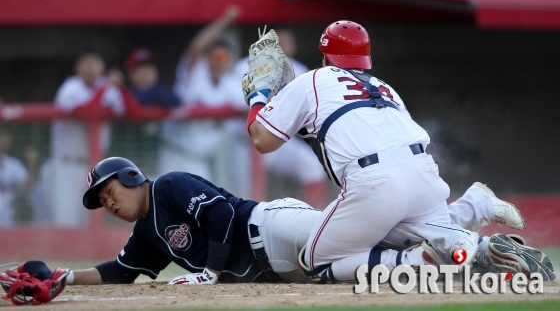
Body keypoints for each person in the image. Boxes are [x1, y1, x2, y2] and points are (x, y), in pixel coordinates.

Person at [20, 157, 554, 287]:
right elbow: (120, 271)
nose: (108, 203)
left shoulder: (171, 187)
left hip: (270, 228)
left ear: (131, 179)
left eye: (109, 192)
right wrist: (62, 279)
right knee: (354, 272)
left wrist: (209, 271)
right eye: (100, 202)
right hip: (275, 266)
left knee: (362, 239)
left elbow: (226, 215)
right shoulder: (147, 232)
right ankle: (453, 237)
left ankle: (469, 218)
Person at [244, 20, 482, 282]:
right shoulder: (385, 88)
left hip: (375, 182)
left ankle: (414, 261)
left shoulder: (312, 79)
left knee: (316, 264)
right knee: (433, 238)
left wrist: (259, 96)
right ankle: (487, 241)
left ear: (325, 56)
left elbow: (263, 141)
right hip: (426, 175)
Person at [233, 29, 328, 209]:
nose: (282, 48)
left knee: (312, 167)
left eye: (287, 43)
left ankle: (316, 216)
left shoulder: (299, 71)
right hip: (243, 143)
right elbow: (240, 105)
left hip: (279, 140)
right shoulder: (245, 67)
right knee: (245, 194)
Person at [163, 6, 248, 196]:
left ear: (230, 61)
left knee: (203, 210)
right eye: (215, 56)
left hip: (201, 160)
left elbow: (247, 110)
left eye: (224, 57)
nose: (219, 61)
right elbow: (196, 47)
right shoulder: (196, 72)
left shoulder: (230, 85)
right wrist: (225, 20)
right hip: (173, 154)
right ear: (207, 58)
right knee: (162, 208)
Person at [50, 52, 125, 226]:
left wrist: (122, 87)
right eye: (86, 64)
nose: (91, 69)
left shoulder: (105, 86)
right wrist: (107, 86)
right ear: (78, 67)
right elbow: (87, 111)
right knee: (65, 222)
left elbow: (130, 110)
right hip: (68, 165)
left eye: (95, 64)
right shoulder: (70, 87)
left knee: (91, 222)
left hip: (96, 168)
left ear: (103, 68)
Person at [0, 130, 28, 226]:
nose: (5, 142)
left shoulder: (14, 164)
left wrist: (31, 165)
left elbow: (27, 188)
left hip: (9, 215)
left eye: (7, 140)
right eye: (2, 138)